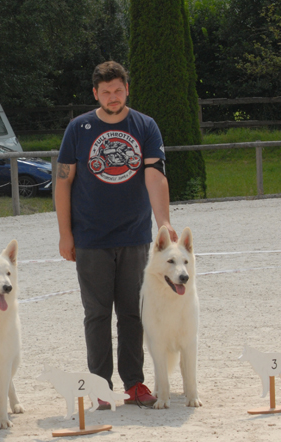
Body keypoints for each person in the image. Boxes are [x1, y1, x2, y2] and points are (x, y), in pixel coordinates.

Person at [54, 61, 177, 407]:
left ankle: (134, 384)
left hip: (135, 236)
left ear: (126, 89)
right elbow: (63, 182)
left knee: (133, 313)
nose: (112, 96)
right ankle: (99, 386)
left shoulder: (145, 126)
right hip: (90, 238)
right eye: (105, 92)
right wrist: (66, 234)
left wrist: (163, 221)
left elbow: (155, 176)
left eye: (118, 90)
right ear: (96, 93)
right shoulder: (79, 128)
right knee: (96, 314)